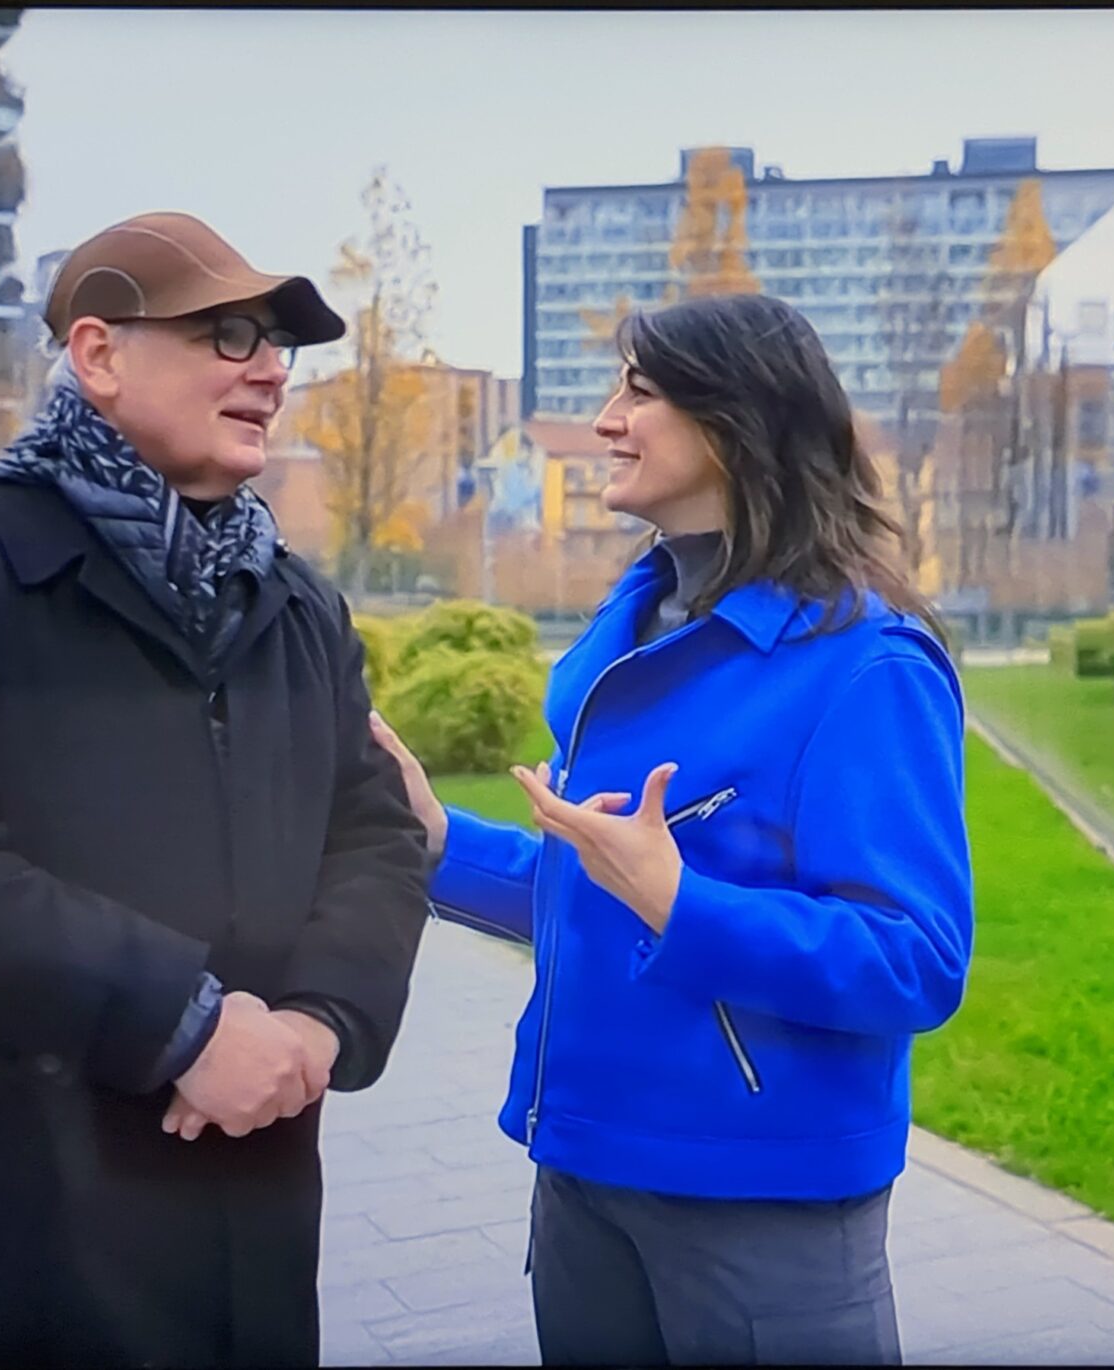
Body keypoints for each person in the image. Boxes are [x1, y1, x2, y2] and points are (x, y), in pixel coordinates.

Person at [0, 211, 434, 1367]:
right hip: (1, 1227)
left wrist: (318, 1020)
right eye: (229, 332)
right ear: (97, 354)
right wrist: (183, 1022)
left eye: (279, 347)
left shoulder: (298, 604)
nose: (268, 371)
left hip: (242, 1219)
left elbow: (377, 828)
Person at [369, 292, 974, 1366]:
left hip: (759, 1201)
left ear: (737, 419)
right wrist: (431, 838)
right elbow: (598, 883)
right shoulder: (635, 625)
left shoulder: (863, 664)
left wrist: (680, 902)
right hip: (582, 1169)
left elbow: (915, 960)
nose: (606, 419)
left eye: (639, 392)